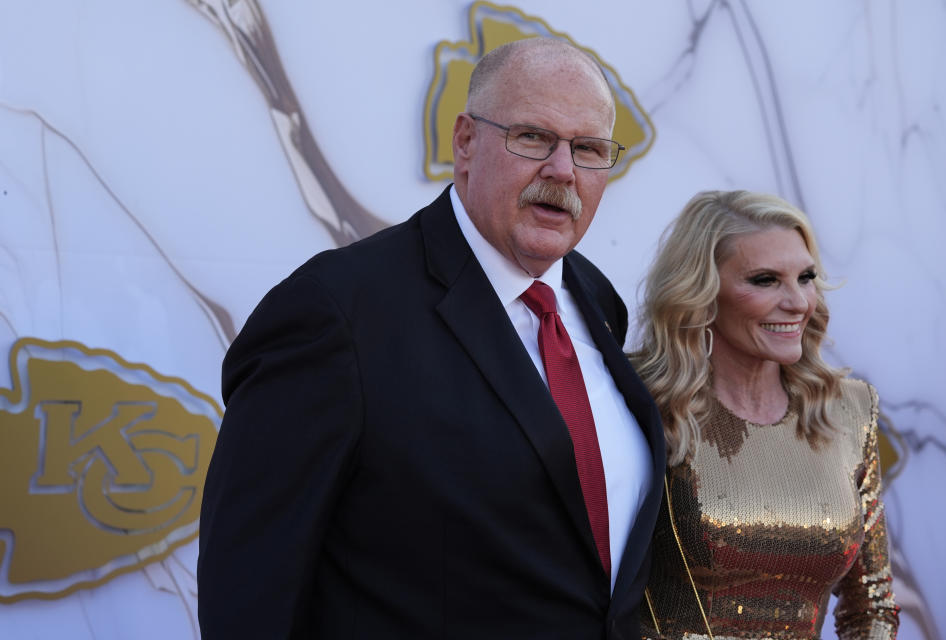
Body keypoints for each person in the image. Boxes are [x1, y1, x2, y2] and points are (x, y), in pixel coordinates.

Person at [197, 37, 665, 639]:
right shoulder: (335, 312)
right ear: (465, 142)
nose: (562, 170)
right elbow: (249, 592)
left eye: (589, 149)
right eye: (532, 138)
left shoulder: (598, 302)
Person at [628, 190, 899, 639]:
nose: (798, 303)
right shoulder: (641, 401)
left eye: (806, 277)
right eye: (765, 280)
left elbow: (870, 604)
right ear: (702, 292)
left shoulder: (848, 410)